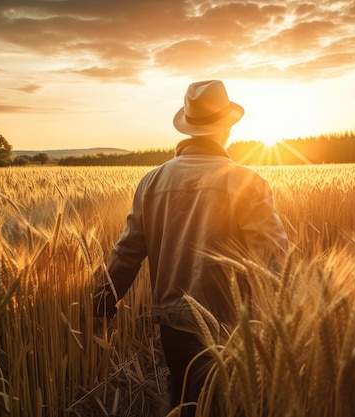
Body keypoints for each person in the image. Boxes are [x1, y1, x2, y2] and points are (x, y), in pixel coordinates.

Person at [93, 79, 288, 416]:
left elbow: (127, 251)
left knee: (185, 402)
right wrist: (284, 316)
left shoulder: (151, 181)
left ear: (188, 125)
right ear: (226, 129)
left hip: (173, 324)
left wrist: (103, 300)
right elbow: (272, 257)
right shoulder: (245, 181)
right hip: (230, 324)